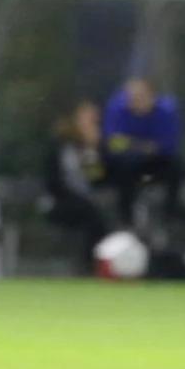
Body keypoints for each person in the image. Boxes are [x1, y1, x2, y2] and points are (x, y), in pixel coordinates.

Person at [101, 77, 184, 225]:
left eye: (141, 97)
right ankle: (125, 219)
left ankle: (170, 216)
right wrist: (141, 146)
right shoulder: (117, 109)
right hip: (126, 163)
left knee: (177, 168)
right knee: (121, 169)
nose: (136, 102)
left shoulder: (165, 111)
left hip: (155, 162)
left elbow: (168, 144)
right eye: (132, 98)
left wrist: (131, 143)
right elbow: (113, 142)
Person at [43, 100, 112, 273]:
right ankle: (89, 266)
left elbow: (98, 180)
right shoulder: (59, 147)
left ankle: (97, 264)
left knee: (98, 217)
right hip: (60, 203)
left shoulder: (94, 149)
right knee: (92, 216)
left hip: (87, 205)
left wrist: (92, 150)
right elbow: (54, 183)